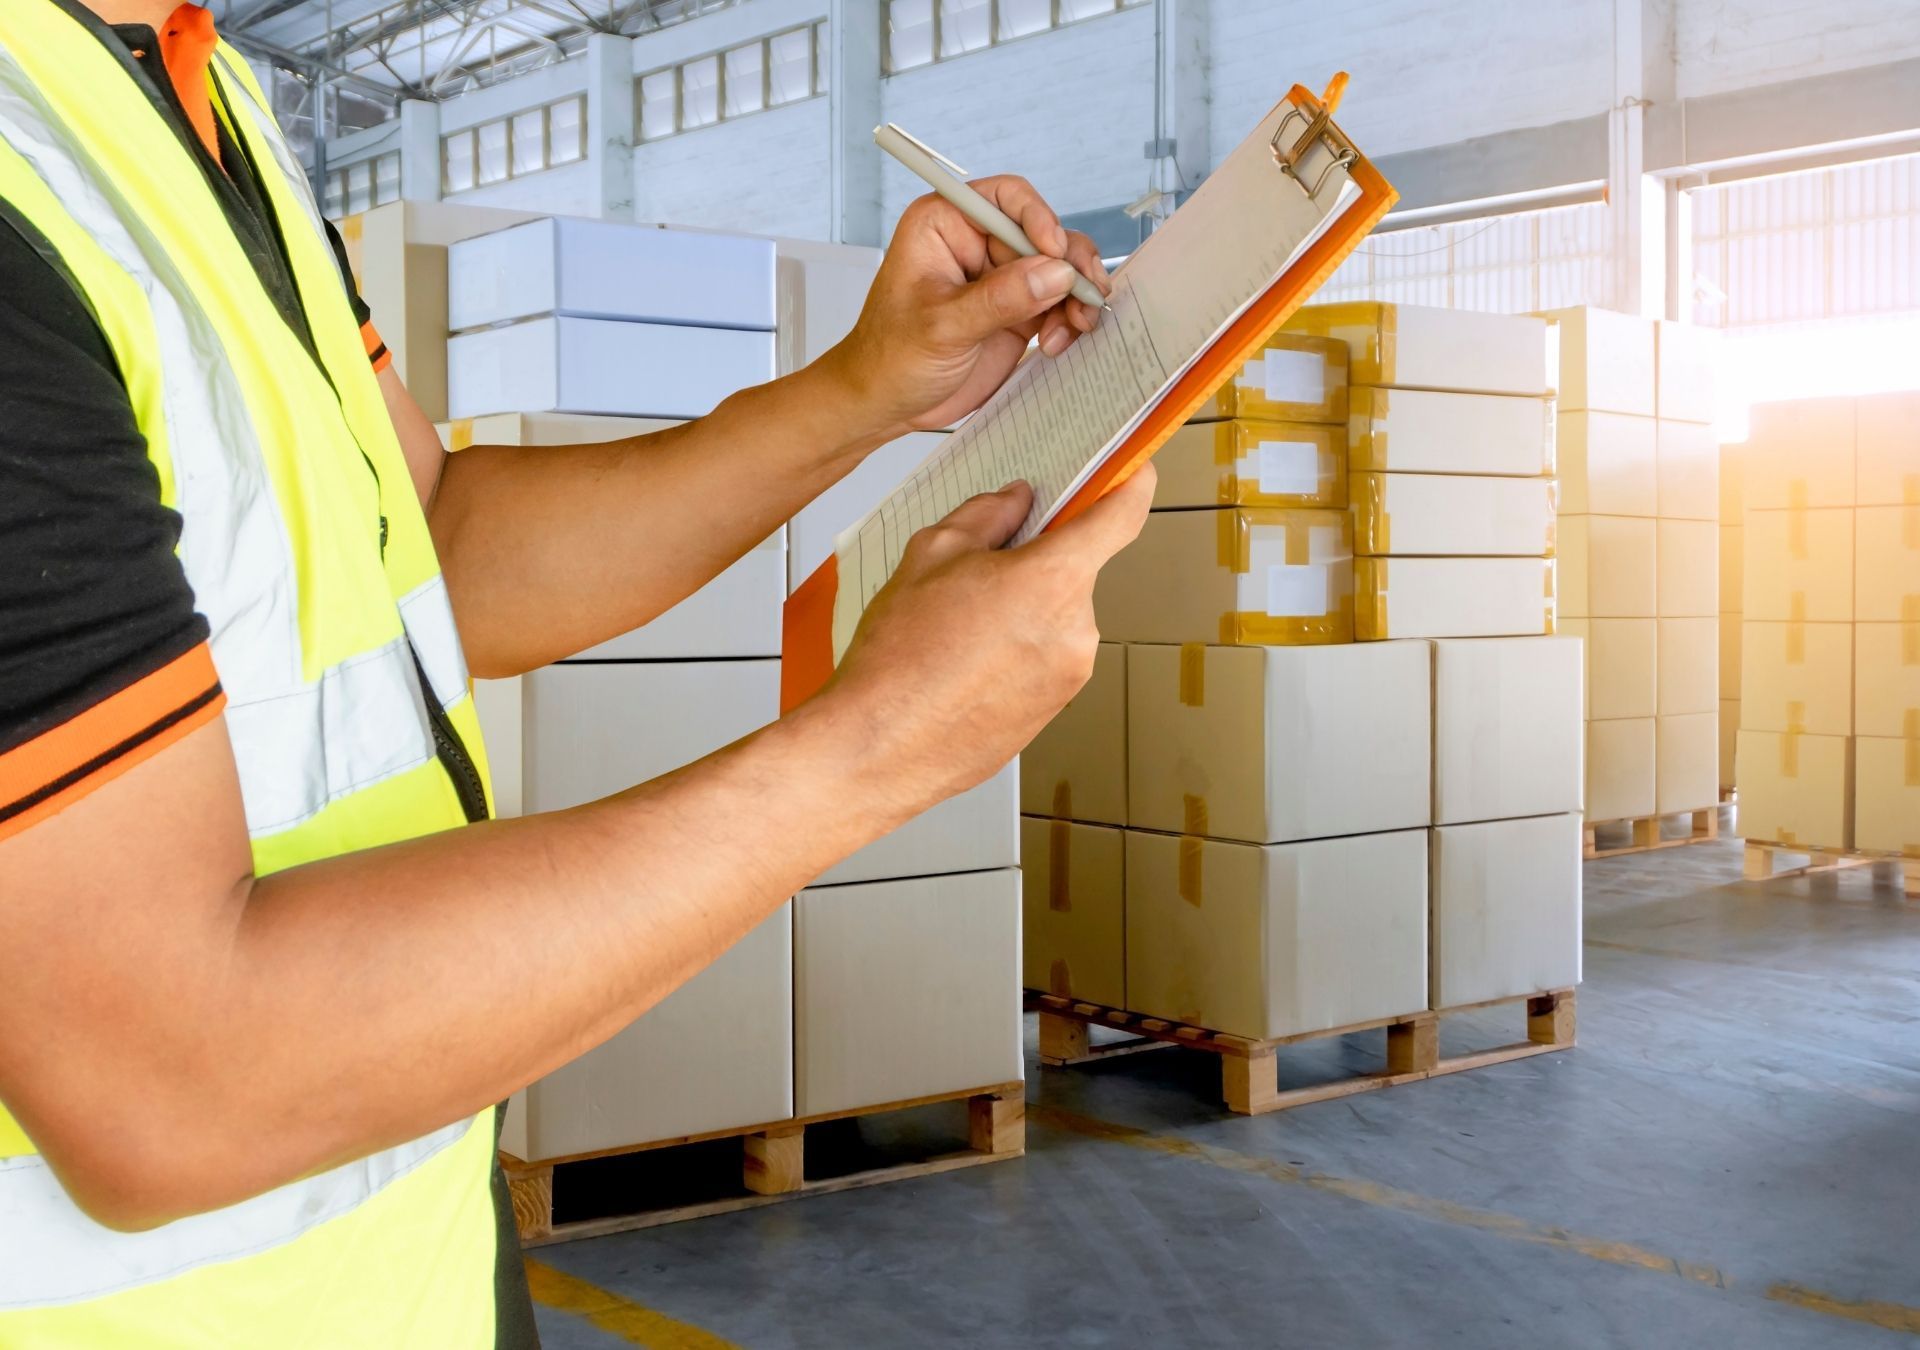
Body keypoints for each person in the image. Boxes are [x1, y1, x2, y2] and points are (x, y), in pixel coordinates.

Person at [0, 0, 1154, 1342]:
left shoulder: (202, 98)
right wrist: (876, 742)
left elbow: (434, 536)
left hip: (418, 1279)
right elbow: (164, 1078)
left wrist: (866, 387)